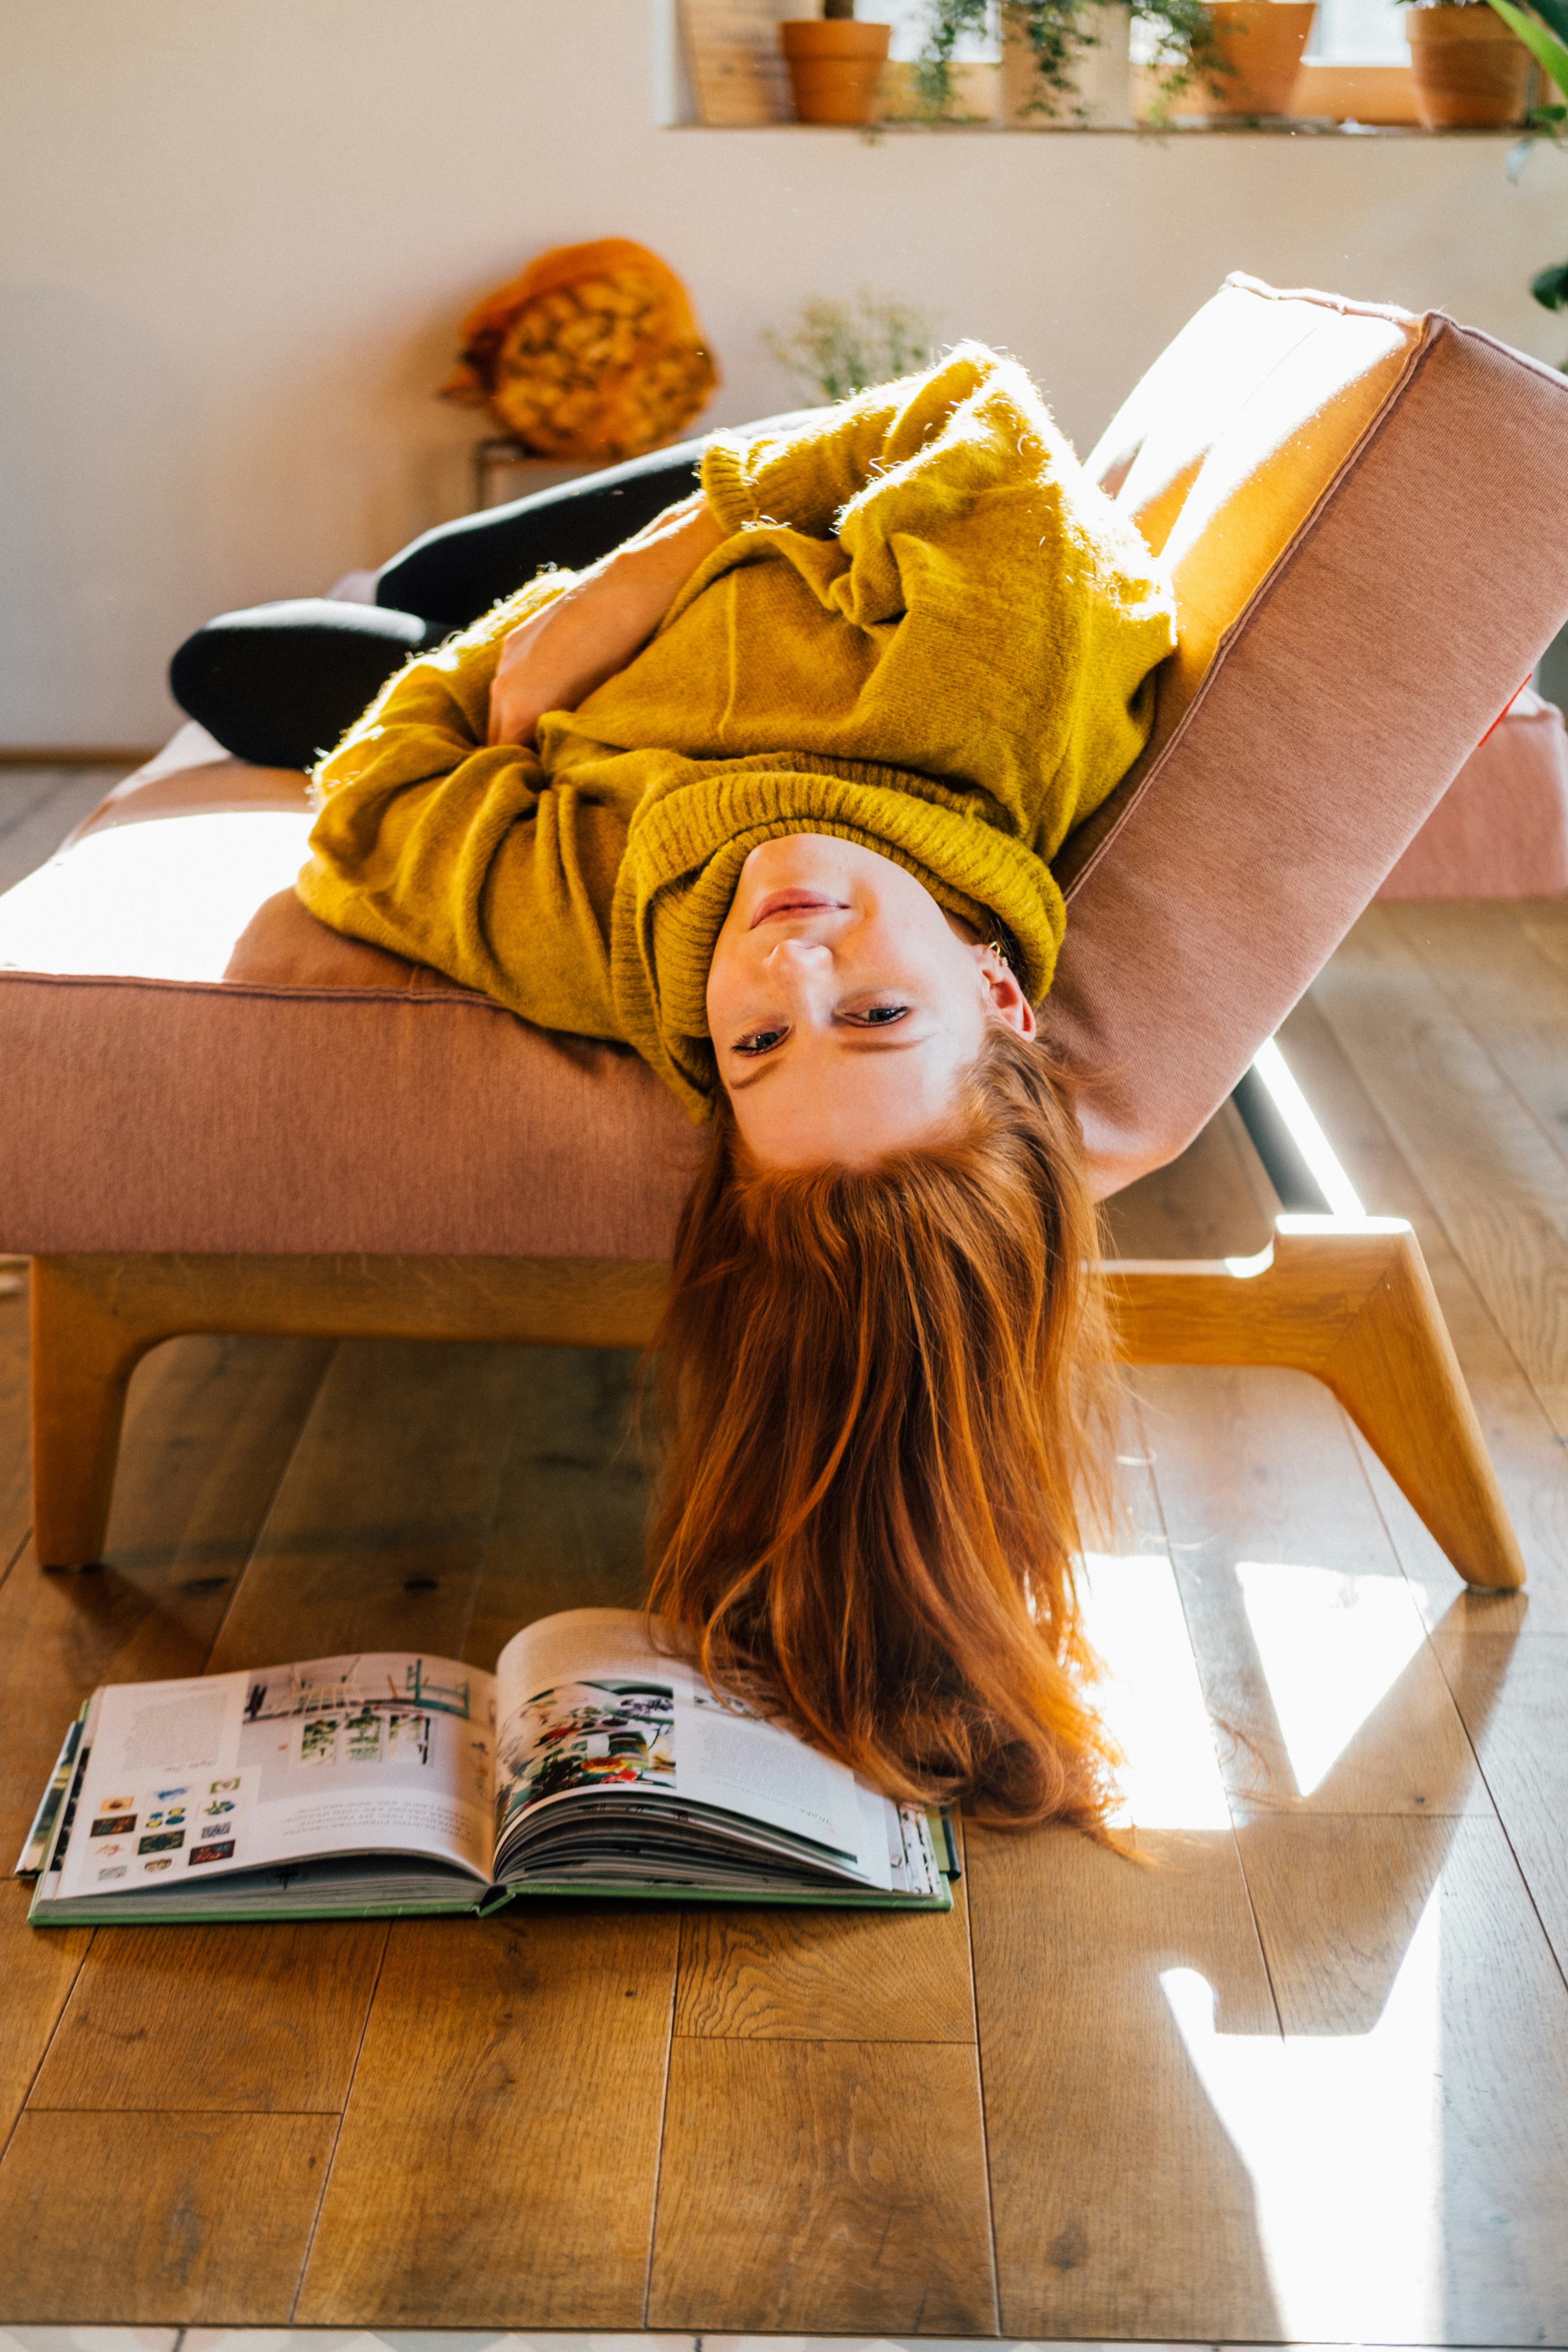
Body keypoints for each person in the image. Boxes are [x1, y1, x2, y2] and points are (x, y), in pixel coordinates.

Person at [172, 344, 1177, 1830]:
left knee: (246, 661)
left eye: (761, 1049)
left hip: (542, 704)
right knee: (442, 570)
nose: (791, 970)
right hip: (751, 545)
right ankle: (509, 584)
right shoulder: (999, 666)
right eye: (881, 1013)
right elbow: (975, 405)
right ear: (999, 992)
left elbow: (368, 805)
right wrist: (630, 583)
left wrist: (510, 682)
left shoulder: (618, 947)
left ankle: (445, 612)